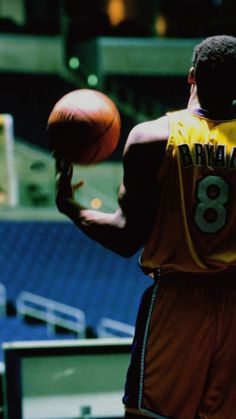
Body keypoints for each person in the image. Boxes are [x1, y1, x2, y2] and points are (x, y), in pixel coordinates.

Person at [55, 35, 236, 419]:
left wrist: (73, 208)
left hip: (179, 302)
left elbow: (125, 239)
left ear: (191, 76)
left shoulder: (152, 138)